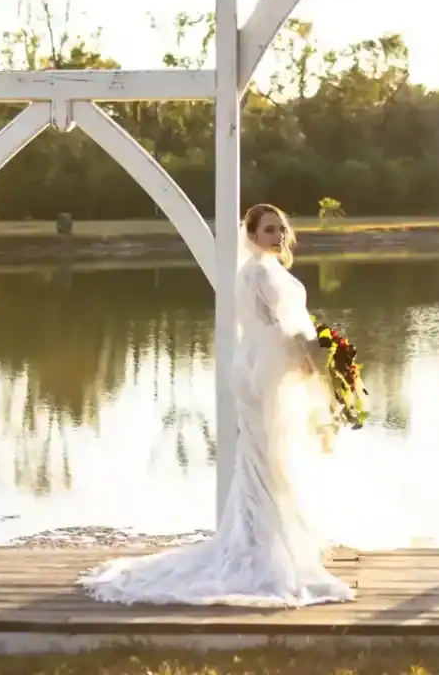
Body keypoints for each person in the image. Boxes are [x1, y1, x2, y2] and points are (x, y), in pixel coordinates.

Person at [77, 204, 354, 607]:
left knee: (265, 462)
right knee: (268, 461)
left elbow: (283, 325)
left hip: (264, 366)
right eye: (268, 229)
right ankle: (264, 555)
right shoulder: (258, 271)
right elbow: (281, 327)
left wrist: (316, 352)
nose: (277, 235)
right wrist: (315, 355)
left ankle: (266, 544)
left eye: (281, 229)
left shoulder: (265, 270)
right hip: (267, 371)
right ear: (253, 234)